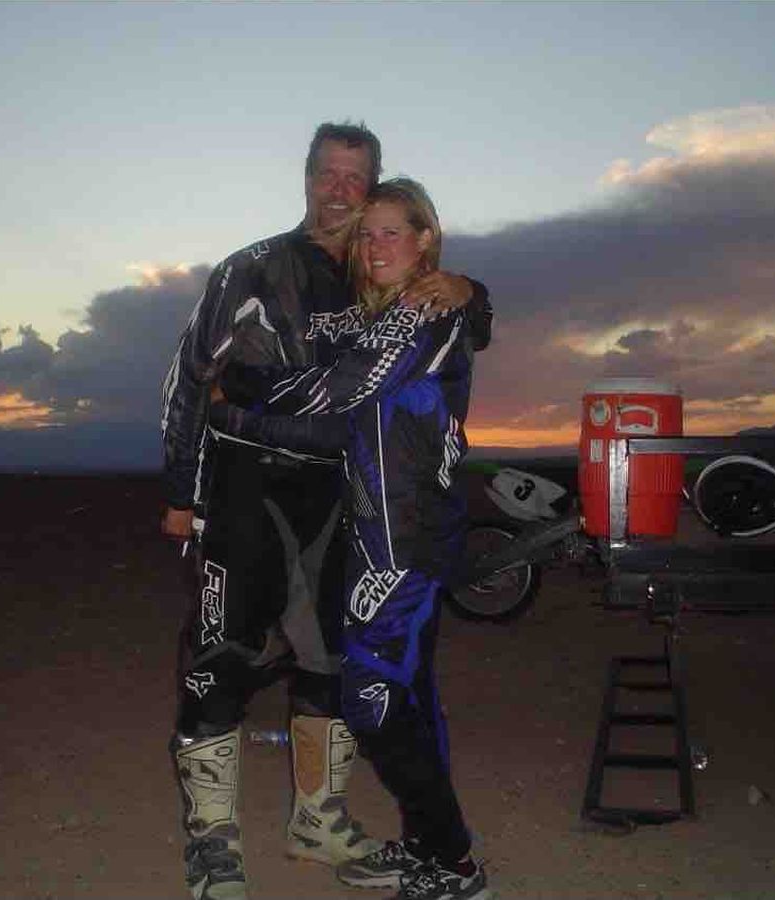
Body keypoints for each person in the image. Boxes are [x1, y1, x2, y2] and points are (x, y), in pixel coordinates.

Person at [160, 122, 492, 900]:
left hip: (345, 495)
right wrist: (180, 491)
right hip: (247, 484)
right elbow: (190, 376)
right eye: (327, 173)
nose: (340, 191)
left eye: (356, 178)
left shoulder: (381, 280)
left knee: (332, 662)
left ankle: (317, 819)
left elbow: (443, 341)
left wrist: (470, 291)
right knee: (223, 654)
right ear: (307, 176)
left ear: (374, 191)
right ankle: (212, 838)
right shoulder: (252, 269)